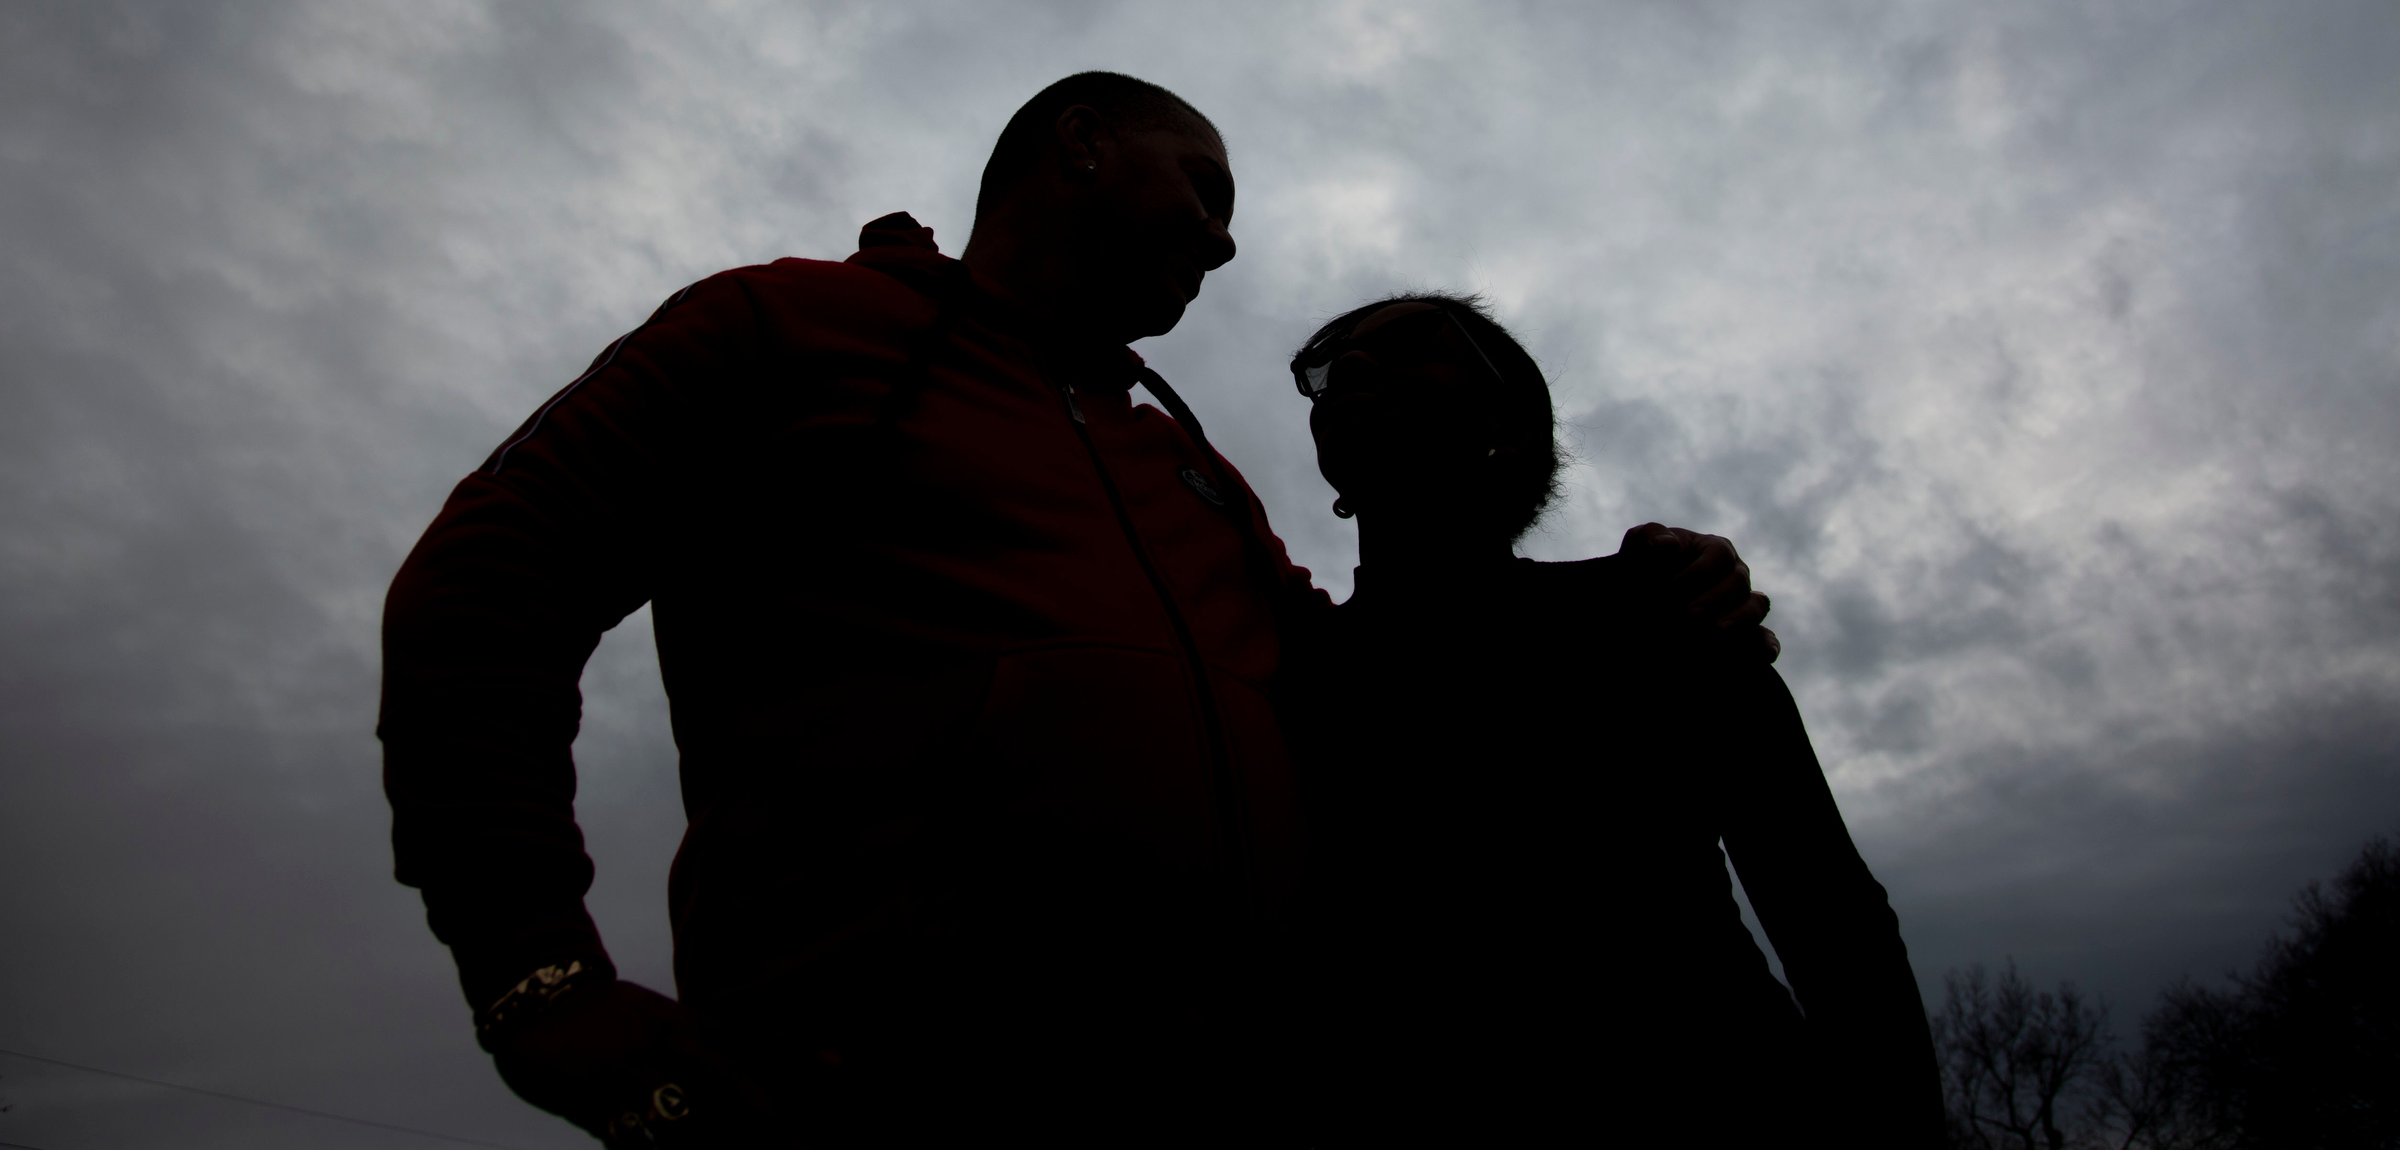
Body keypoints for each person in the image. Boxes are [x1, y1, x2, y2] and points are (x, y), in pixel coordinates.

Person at [378, 73, 1771, 1145]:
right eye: (1204, 188)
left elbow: (1363, 674)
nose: (1224, 245)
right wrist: (534, 973)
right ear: (1083, 145)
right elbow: (492, 580)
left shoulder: (1190, 467)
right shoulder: (780, 329)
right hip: (870, 1089)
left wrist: (1631, 588)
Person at [1278, 293, 1942, 1146]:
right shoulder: (1284, 668)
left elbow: (1833, 919)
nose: (1356, 370)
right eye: (1332, 368)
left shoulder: (1660, 613)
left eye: (1411, 346)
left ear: (1509, 433)